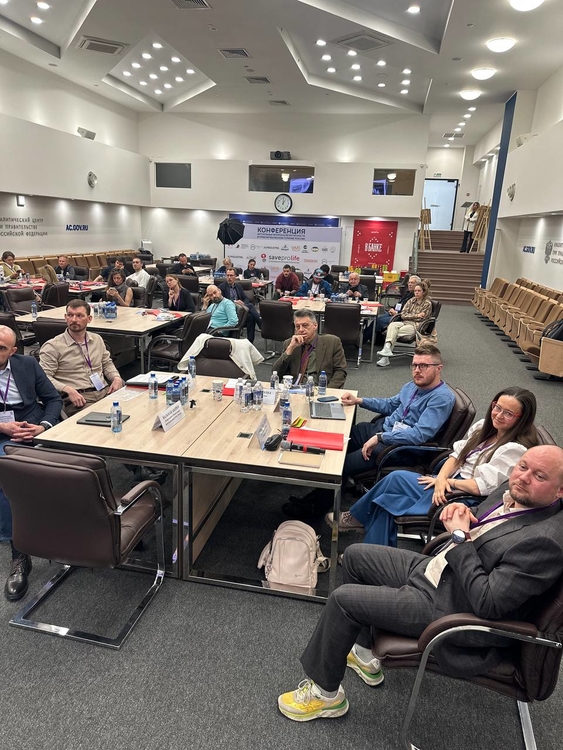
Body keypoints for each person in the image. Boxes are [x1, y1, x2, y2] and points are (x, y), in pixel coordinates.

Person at [277, 445, 563, 722]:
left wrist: (460, 538)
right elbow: (483, 523)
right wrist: (461, 511)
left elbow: (488, 602)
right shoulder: (513, 490)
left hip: (453, 607)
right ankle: (364, 654)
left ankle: (326, 696)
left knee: (343, 600)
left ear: (560, 490)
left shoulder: (544, 542)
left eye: (539, 476)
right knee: (355, 556)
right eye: (522, 466)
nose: (524, 477)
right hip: (442, 570)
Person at [332, 387, 539, 546]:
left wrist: (445, 482)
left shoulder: (514, 449)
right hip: (447, 482)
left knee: (391, 489)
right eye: (497, 407)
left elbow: (480, 487)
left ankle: (357, 521)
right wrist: (441, 479)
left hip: (462, 496)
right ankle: (371, 552)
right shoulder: (484, 428)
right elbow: (456, 457)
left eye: (508, 413)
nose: (499, 415)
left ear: (522, 419)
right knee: (389, 494)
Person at [0, 325, 63, 601]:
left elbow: (52, 399)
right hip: (2, 431)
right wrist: (3, 427)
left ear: (13, 351)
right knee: (8, 474)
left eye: (1, 348)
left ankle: (76, 532)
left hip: (31, 423)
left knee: (75, 466)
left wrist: (43, 426)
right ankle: (20, 553)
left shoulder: (27, 364)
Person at [341, 344, 455, 482]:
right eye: (414, 365)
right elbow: (390, 405)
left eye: (423, 366)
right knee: (340, 437)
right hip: (383, 430)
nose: (417, 370)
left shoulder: (441, 398)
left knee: (341, 465)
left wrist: (381, 437)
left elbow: (419, 435)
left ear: (438, 368)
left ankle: (329, 494)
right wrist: (359, 400)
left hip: (400, 447)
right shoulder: (413, 385)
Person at [38, 298, 124, 415]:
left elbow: (106, 363)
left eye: (79, 316)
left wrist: (116, 377)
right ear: (65, 317)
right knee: (108, 418)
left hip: (105, 392)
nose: (74, 319)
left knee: (134, 408)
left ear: (89, 319)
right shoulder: (53, 346)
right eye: (70, 315)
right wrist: (67, 389)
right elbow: (43, 377)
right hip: (79, 399)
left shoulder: (97, 339)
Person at [273, 308, 347, 387]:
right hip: (295, 389)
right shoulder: (290, 343)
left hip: (320, 389)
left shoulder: (332, 342)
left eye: (305, 325)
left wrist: (328, 391)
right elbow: (276, 373)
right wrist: (289, 349)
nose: (301, 330)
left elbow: (340, 371)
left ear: (315, 326)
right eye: (297, 326)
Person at [377, 280, 432, 367]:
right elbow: (403, 315)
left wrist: (412, 316)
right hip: (405, 322)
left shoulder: (427, 304)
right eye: (415, 291)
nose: (416, 293)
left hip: (415, 326)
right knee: (392, 325)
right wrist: (417, 315)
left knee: (392, 332)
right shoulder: (411, 301)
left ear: (424, 292)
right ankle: (387, 349)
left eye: (419, 291)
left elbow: (422, 318)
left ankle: (385, 358)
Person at [218, 268, 261, 343]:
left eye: (231, 275)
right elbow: (222, 301)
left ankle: (250, 341)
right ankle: (261, 323)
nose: (229, 277)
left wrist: (243, 303)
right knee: (250, 306)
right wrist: (235, 302)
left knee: (251, 317)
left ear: (235, 276)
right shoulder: (222, 287)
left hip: (240, 310)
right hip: (229, 311)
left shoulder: (238, 286)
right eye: (227, 275)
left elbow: (246, 298)